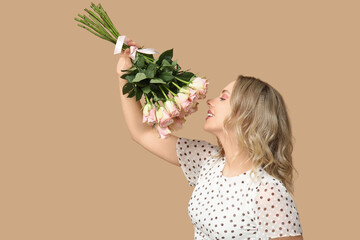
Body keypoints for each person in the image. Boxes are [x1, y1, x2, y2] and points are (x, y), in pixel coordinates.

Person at [116, 39, 304, 240]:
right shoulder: (206, 159)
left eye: (223, 98)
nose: (210, 101)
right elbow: (142, 133)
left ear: (247, 116)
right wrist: (125, 75)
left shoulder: (268, 193)